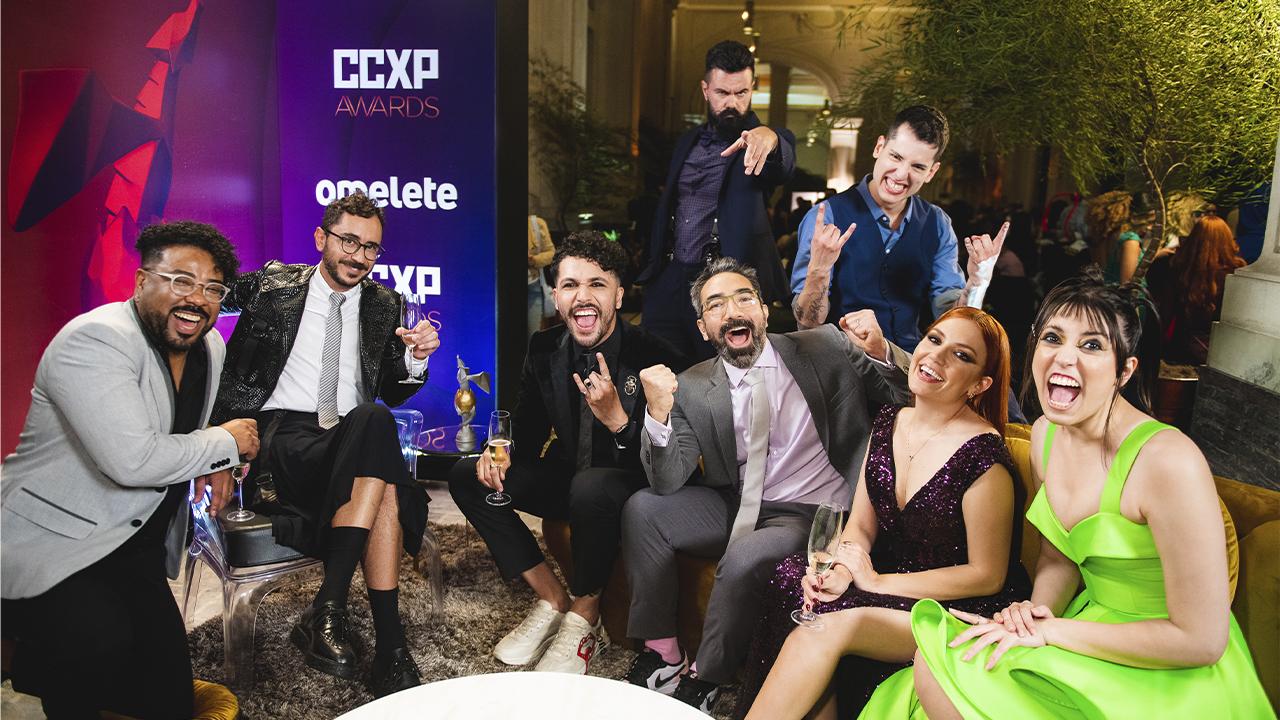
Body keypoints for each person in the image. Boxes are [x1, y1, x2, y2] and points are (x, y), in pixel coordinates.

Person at [861, 271, 1275, 719]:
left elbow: (1202, 641)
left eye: (1091, 345)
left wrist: (1053, 632)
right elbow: (1059, 559)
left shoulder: (1168, 461)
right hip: (1080, 625)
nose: (1064, 357)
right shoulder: (1045, 435)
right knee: (936, 665)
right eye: (1053, 338)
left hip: (1165, 667)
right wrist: (1031, 615)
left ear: (1124, 371)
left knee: (945, 673)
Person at [622, 257, 912, 714]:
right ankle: (663, 653)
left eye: (744, 299)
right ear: (703, 327)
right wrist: (656, 415)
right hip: (738, 502)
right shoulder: (692, 385)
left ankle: (707, 677)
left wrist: (881, 350)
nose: (732, 311)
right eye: (716, 305)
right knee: (643, 508)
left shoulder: (825, 345)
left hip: (814, 508)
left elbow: (909, 393)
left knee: (745, 555)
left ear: (762, 310)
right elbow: (666, 480)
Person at [1, 221, 257, 718]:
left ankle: (40, 660)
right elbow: (132, 460)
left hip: (135, 550)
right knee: (95, 649)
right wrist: (227, 442)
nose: (197, 298)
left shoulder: (210, 347)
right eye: (181, 280)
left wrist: (220, 459)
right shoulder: (95, 340)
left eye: (212, 288)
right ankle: (23, 655)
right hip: (56, 545)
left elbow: (183, 431)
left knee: (169, 702)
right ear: (142, 281)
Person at [737, 307, 1031, 719]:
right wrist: (841, 571)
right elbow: (860, 524)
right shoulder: (890, 420)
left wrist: (876, 581)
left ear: (979, 384)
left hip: (951, 602)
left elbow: (987, 575)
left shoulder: (984, 457)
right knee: (795, 581)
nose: (937, 356)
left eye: (961, 355)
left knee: (825, 613)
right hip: (886, 575)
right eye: (934, 340)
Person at [211, 190, 440, 698]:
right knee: (382, 472)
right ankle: (390, 646)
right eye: (348, 241)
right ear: (321, 238)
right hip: (282, 437)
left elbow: (391, 389)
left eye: (371, 247)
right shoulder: (273, 284)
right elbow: (210, 296)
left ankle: (333, 612)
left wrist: (416, 360)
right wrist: (217, 439)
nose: (359, 256)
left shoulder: (385, 303)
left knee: (374, 418)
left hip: (350, 437)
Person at [448, 231, 688, 674]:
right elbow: (526, 427)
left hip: (630, 484)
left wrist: (617, 420)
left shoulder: (656, 356)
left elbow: (671, 459)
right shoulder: (544, 348)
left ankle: (585, 615)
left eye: (597, 284)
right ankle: (552, 598)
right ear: (556, 297)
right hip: (570, 478)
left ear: (619, 295)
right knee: (468, 476)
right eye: (570, 285)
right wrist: (498, 450)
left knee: (592, 486)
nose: (583, 297)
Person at [790, 106, 1007, 348]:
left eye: (918, 167)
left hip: (908, 363)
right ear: (879, 147)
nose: (902, 174)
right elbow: (807, 323)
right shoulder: (826, 217)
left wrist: (977, 282)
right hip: (840, 360)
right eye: (896, 157)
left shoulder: (938, 224)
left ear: (931, 172)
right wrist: (819, 270)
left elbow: (953, 322)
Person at [637, 40, 796, 359]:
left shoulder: (759, 141)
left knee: (721, 379)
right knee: (657, 371)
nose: (732, 103)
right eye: (723, 93)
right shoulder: (687, 141)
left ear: (752, 89)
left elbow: (783, 163)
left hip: (723, 285)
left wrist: (771, 138)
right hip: (670, 279)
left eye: (742, 93)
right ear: (706, 90)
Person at [1148, 214, 1246, 365]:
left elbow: (1165, 312)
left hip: (1180, 348)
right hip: (1220, 351)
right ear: (1227, 241)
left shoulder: (1178, 268)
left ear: (1194, 239)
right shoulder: (1237, 271)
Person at [527, 213, 556, 341]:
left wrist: (534, 260)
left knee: (533, 337)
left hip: (533, 285)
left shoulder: (537, 223)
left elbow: (551, 253)